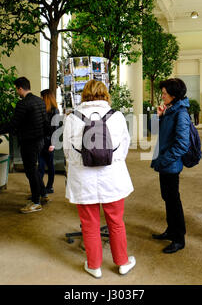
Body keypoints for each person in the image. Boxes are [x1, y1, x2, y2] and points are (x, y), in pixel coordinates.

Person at [63, 80, 135, 278]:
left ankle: (94, 266)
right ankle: (122, 262)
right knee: (116, 221)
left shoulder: (72, 118)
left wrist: (81, 164)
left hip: (82, 179)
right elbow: (124, 147)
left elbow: (68, 151)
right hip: (113, 178)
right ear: (105, 94)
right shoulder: (117, 116)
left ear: (84, 95)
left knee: (89, 224)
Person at [0, 77, 48, 214]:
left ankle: (36, 202)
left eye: (16, 89)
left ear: (20, 88)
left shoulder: (23, 104)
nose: (16, 92)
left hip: (29, 142)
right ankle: (42, 194)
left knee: (31, 172)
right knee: (34, 170)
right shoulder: (40, 101)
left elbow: (14, 123)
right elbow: (46, 123)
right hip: (40, 141)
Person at [150, 78, 191, 254]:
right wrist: (158, 116)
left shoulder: (181, 113)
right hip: (165, 163)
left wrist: (164, 160)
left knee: (173, 200)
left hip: (170, 164)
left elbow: (182, 144)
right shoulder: (170, 110)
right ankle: (171, 230)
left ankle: (179, 238)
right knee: (167, 197)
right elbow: (153, 131)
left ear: (174, 95)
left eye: (165, 93)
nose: (162, 96)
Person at [38, 89, 60, 196]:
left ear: (46, 97)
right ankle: (40, 188)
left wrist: (53, 144)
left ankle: (49, 186)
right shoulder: (44, 109)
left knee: (50, 165)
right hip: (41, 141)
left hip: (49, 142)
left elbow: (55, 129)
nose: (41, 99)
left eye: (42, 97)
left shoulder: (55, 110)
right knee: (40, 166)